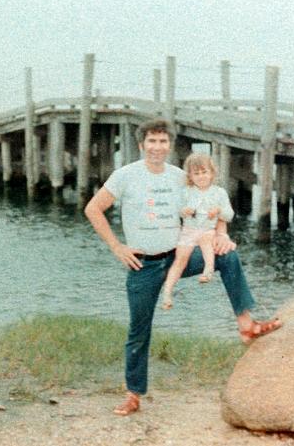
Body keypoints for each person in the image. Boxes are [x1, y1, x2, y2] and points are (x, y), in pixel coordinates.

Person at [84, 119, 281, 417]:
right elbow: (93, 209)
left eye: (163, 142)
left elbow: (212, 201)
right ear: (141, 145)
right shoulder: (125, 176)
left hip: (179, 255)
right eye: (151, 141)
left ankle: (246, 324)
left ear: (170, 146)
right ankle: (133, 394)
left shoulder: (180, 177)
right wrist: (117, 247)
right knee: (139, 331)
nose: (157, 147)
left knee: (228, 256)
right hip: (144, 264)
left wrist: (222, 234)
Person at [161, 152, 233, 311]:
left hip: (207, 230)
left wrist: (219, 211)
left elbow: (229, 215)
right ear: (190, 176)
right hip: (189, 230)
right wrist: (184, 211)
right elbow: (177, 210)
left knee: (208, 240)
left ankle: (208, 271)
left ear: (212, 173)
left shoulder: (219, 192)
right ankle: (167, 293)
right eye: (196, 174)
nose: (201, 177)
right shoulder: (186, 191)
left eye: (204, 172)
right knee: (180, 260)